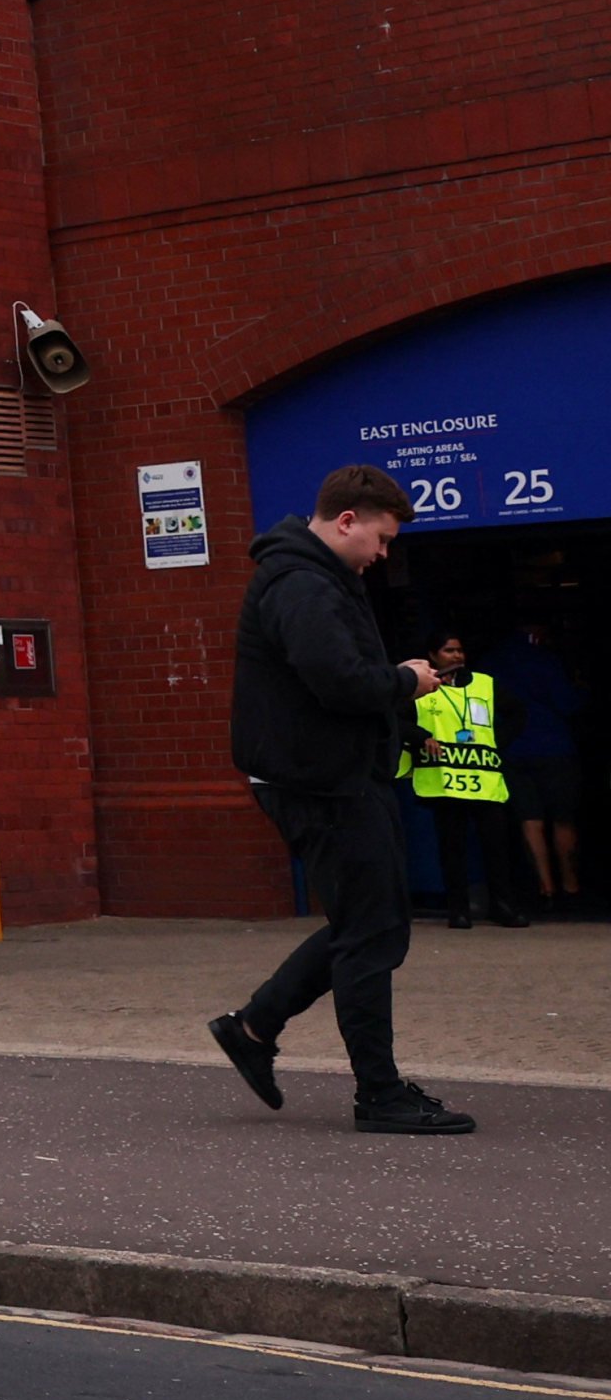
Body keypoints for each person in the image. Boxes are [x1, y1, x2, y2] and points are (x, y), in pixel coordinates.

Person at [208, 465, 473, 1134]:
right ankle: (378, 1094)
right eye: (380, 539)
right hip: (319, 783)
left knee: (371, 923)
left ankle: (253, 1027)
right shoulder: (301, 582)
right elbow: (338, 681)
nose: (383, 554)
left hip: (340, 775)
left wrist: (396, 711)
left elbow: (336, 682)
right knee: (370, 932)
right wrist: (403, 681)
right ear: (347, 520)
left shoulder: (323, 576)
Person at [408, 633, 527, 930]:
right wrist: (421, 737)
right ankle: (458, 910)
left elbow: (517, 712)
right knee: (452, 849)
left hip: (483, 779)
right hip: (445, 780)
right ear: (433, 655)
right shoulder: (422, 686)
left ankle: (503, 906)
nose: (457, 656)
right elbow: (396, 719)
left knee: (496, 847)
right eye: (449, 650)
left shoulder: (484, 684)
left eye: (460, 650)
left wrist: (498, 742)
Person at [488, 615, 584, 908]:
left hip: (513, 748)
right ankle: (571, 887)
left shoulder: (493, 660)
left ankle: (546, 889)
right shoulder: (547, 660)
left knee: (530, 819)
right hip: (554, 746)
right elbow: (568, 702)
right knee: (563, 819)